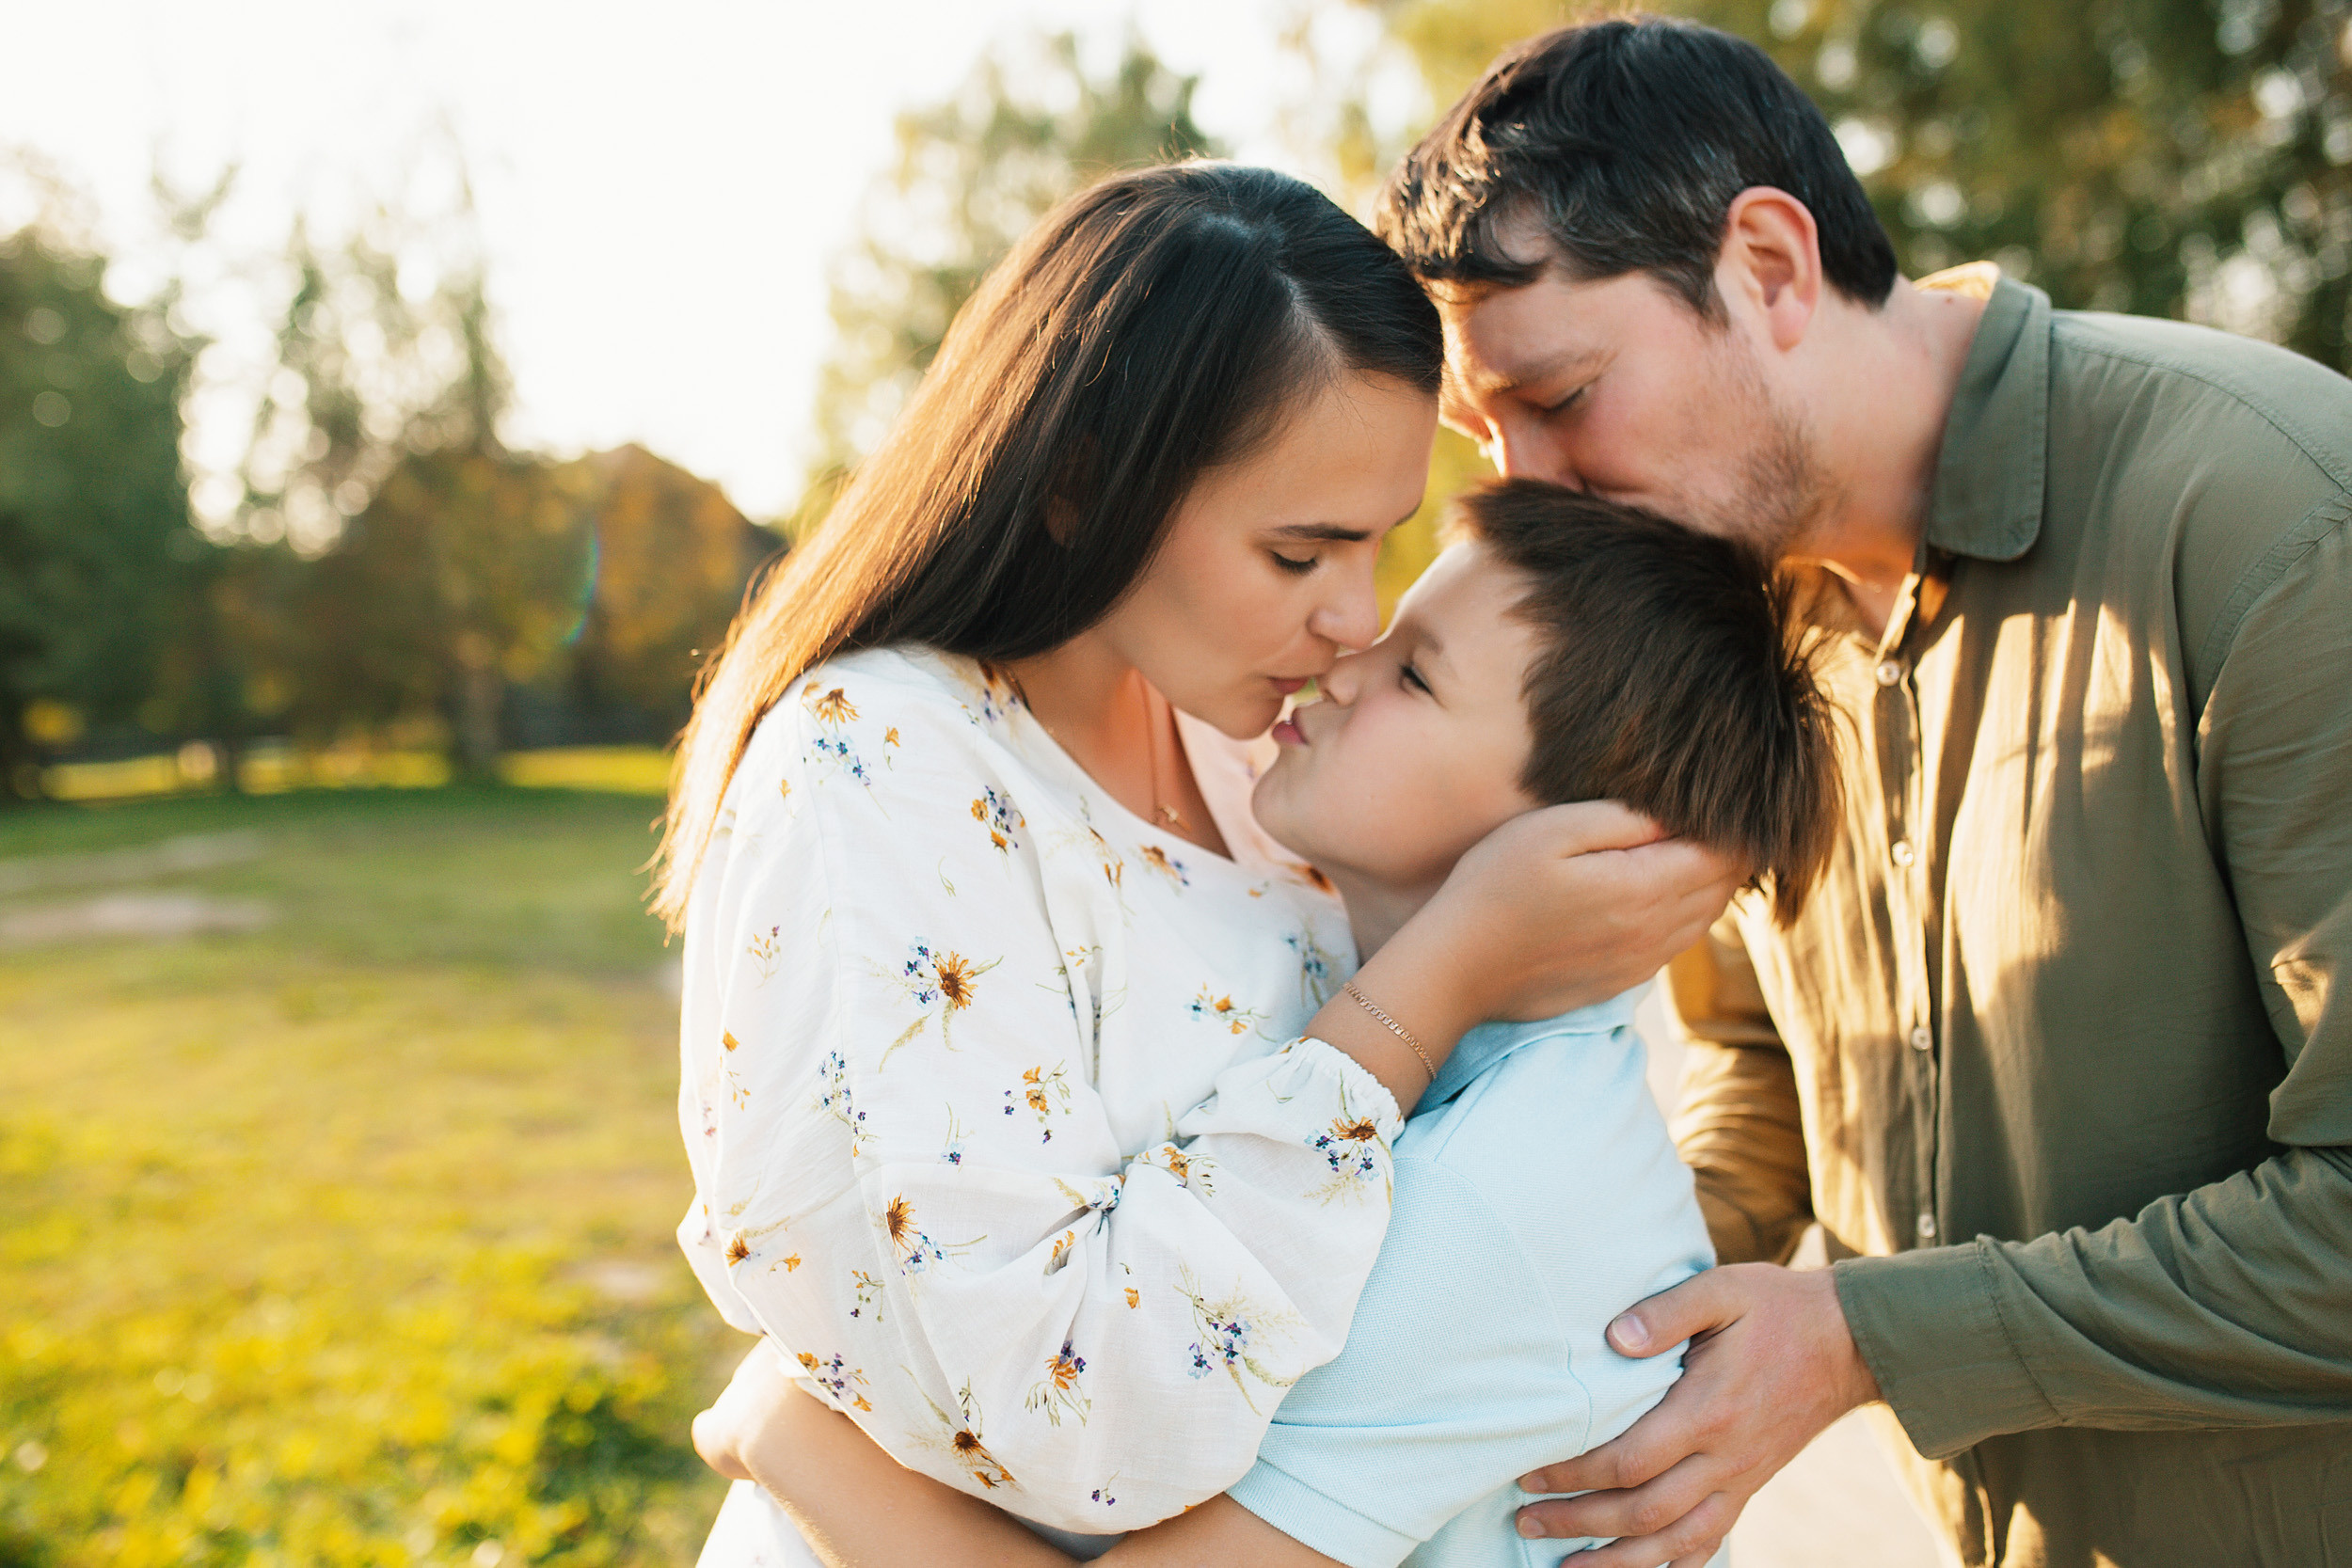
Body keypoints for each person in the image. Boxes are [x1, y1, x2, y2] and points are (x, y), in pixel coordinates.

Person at [1370, 15, 2352, 1567]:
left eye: (1555, 397)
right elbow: (1758, 1069)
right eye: (1481, 433)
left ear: (1767, 265)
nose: (1521, 493)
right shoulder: (1729, 608)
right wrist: (1567, 1311)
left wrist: (1862, 1335)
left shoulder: (2274, 519)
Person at [653, 162, 1739, 1564]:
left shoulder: (1252, 741)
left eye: (1378, 544)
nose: (1355, 617)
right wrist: (1440, 972)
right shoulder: (879, 767)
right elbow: (1071, 1420)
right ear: (1083, 488)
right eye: (1300, 552)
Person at [694, 478, 1844, 1567]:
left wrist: (779, 1429)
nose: (1343, 666)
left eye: (1416, 678)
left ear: (1597, 839)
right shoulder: (1453, 1063)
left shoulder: (1500, 1199)